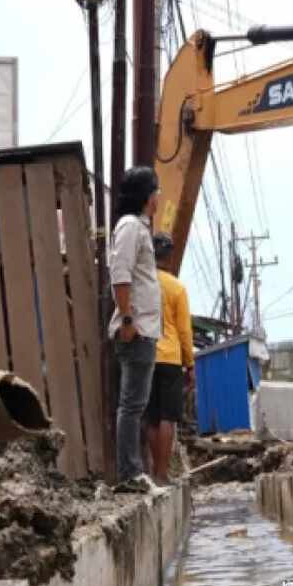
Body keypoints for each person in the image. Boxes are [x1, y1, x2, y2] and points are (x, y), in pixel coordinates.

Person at [109, 166, 162, 490]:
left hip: (144, 327)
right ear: (146, 196)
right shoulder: (130, 227)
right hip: (137, 328)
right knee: (131, 405)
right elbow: (120, 273)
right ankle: (129, 474)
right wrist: (128, 319)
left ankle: (132, 471)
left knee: (135, 404)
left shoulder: (138, 228)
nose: (159, 198)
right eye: (155, 191)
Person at [144, 232, 194, 483]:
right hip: (171, 358)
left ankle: (154, 472)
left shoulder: (140, 284)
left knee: (152, 417)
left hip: (146, 356)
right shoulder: (176, 288)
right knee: (167, 417)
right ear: (169, 256)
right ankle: (163, 473)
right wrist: (190, 364)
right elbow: (185, 331)